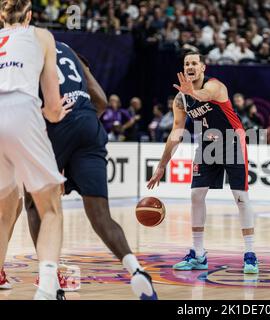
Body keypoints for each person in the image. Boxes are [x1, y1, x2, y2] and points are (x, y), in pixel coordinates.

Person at [22, 41, 157, 300]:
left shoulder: (23, 48)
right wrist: (78, 124)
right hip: (89, 125)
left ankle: (51, 286)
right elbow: (102, 101)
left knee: (34, 204)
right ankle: (137, 270)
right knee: (100, 215)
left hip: (55, 123)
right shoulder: (68, 50)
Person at [147, 52, 258, 274]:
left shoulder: (215, 86)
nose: (190, 66)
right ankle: (198, 254)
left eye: (194, 63)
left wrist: (193, 93)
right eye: (186, 63)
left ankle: (250, 254)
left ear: (202, 68)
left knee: (241, 197)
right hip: (208, 144)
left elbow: (206, 95)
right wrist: (161, 165)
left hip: (232, 141)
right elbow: (176, 134)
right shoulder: (180, 100)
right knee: (196, 195)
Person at [0, 0, 72, 300]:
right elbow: (53, 106)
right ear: (29, 16)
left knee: (4, 211)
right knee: (51, 207)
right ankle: (46, 288)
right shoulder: (41, 36)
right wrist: (55, 114)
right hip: (20, 106)